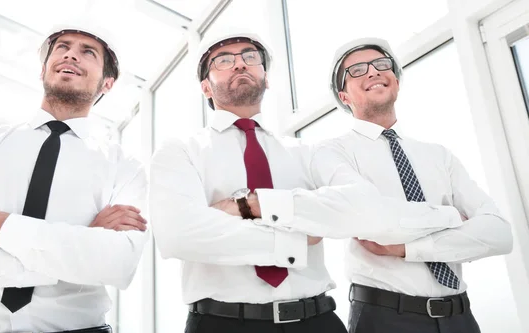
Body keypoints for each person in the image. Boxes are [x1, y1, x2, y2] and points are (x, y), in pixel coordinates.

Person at [148, 30, 467, 333]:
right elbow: (179, 236)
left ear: (266, 78)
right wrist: (298, 237)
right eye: (224, 60)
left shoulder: (307, 151)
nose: (240, 62)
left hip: (317, 320)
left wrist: (246, 207)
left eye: (250, 56)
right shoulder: (180, 150)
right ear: (206, 86)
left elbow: (363, 207)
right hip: (221, 322)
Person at [0, 21, 149, 333]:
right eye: (62, 47)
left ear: (108, 83)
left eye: (88, 52)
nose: (71, 56)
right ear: (43, 69)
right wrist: (76, 246)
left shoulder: (125, 166)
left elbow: (116, 263)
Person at [325, 37, 513, 333]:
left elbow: (500, 234)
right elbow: (375, 222)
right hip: (385, 318)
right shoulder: (334, 153)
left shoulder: (439, 155)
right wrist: (451, 218)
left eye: (381, 65)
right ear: (344, 96)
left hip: (460, 317)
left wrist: (405, 247)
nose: (373, 72)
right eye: (358, 70)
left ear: (396, 82)